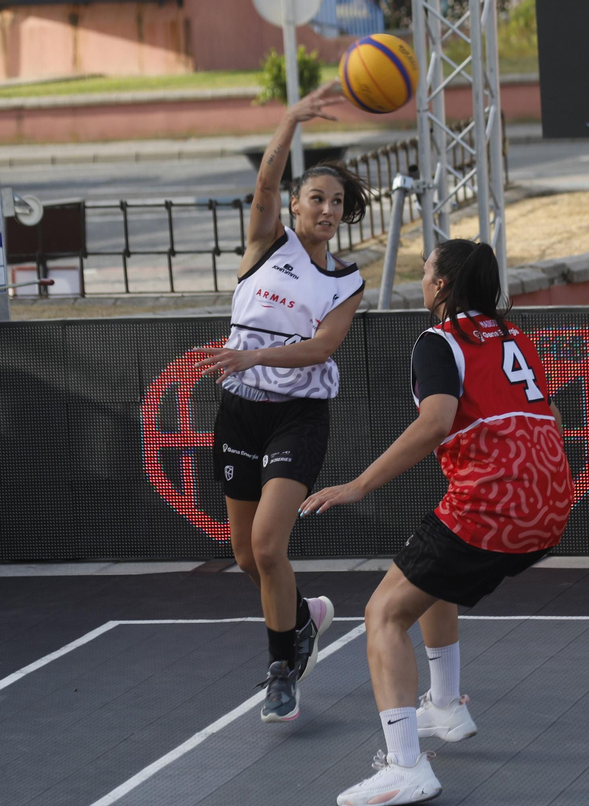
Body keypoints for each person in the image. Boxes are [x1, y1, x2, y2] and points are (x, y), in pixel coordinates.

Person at [300, 240, 573, 806]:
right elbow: (550, 415)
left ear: (442, 286)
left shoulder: (437, 341)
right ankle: (445, 706)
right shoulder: (516, 337)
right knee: (428, 573)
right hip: (551, 500)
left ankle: (405, 767)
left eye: (426, 272)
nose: (422, 280)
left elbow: (435, 423)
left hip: (495, 502)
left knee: (383, 614)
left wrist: (357, 485)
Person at [195, 82, 366, 724]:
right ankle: (303, 620)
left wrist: (254, 355)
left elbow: (322, 348)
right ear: (294, 205)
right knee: (246, 556)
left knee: (269, 547)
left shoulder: (346, 281)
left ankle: (280, 673)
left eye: (337, 202)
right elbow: (265, 181)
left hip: (298, 416)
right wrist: (290, 120)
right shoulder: (267, 245)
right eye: (315, 197)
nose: (325, 207)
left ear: (344, 216)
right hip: (241, 409)